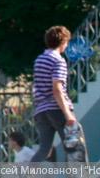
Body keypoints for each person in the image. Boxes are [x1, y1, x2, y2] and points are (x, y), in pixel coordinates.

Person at [30, 26, 81, 162]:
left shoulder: (39, 59)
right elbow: (57, 88)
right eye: (67, 42)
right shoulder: (58, 60)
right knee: (74, 146)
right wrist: (67, 113)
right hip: (56, 108)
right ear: (63, 42)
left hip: (41, 111)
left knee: (44, 149)